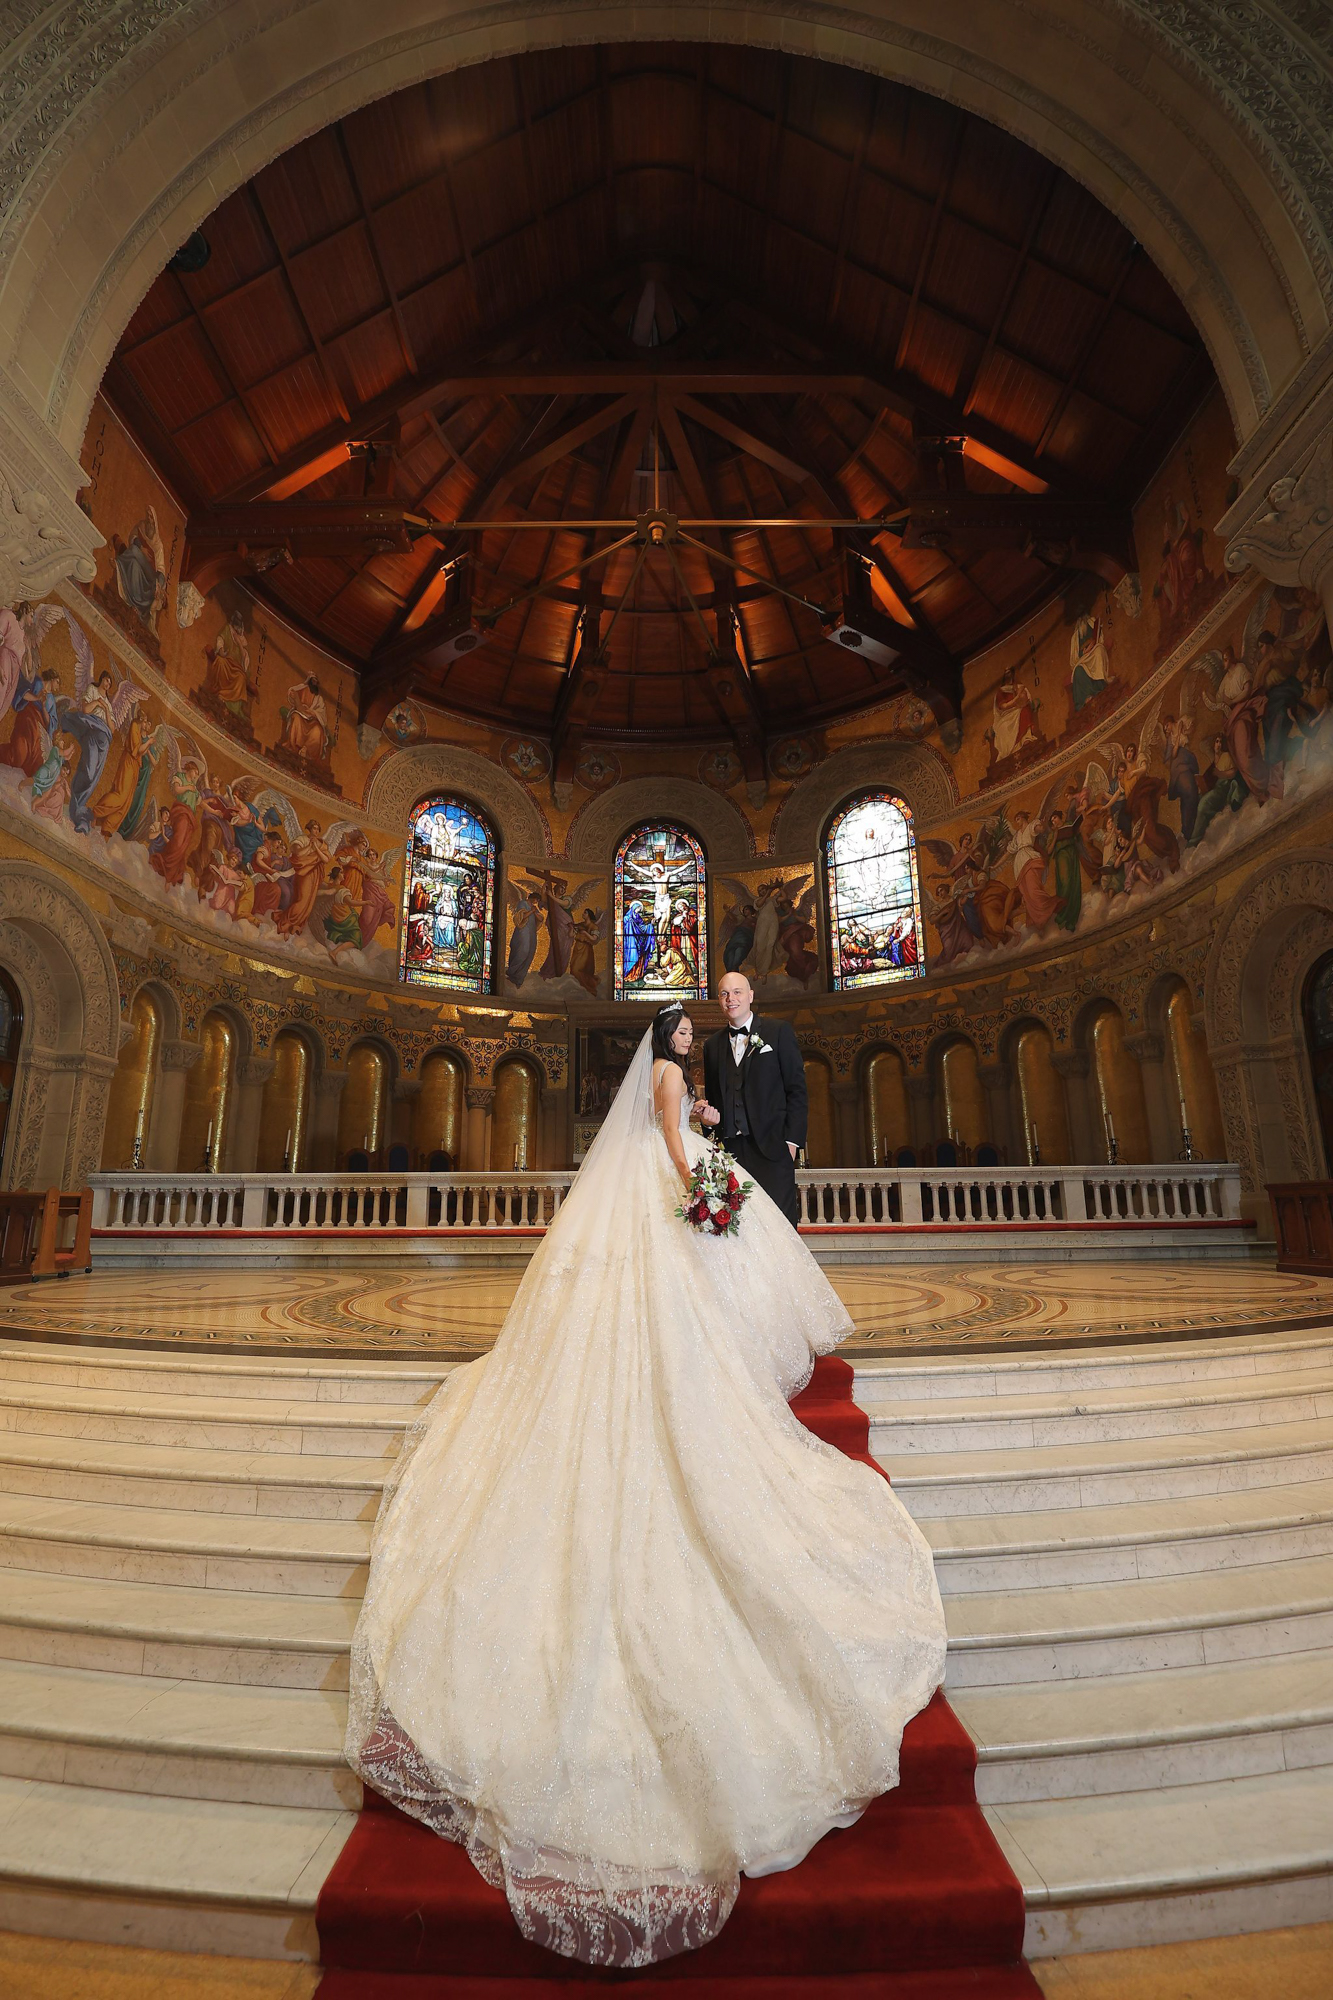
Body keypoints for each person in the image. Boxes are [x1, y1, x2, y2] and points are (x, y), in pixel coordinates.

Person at [346, 1001, 945, 1970]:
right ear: (659, 1044)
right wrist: (701, 1190)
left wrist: (708, 1141)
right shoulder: (670, 1083)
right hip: (671, 1189)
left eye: (685, 1032)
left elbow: (683, 1122)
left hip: (669, 1181)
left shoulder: (681, 1075)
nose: (681, 1040)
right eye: (675, 1031)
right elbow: (669, 1136)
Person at [701, 971, 807, 1227]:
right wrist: (709, 1123)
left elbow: (797, 1090)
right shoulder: (712, 1046)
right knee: (742, 1228)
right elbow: (715, 1100)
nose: (730, 999)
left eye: (737, 992)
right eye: (724, 994)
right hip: (731, 1154)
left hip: (774, 1148)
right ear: (719, 1000)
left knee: (779, 1227)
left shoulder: (778, 1031)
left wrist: (791, 1142)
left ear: (750, 995)